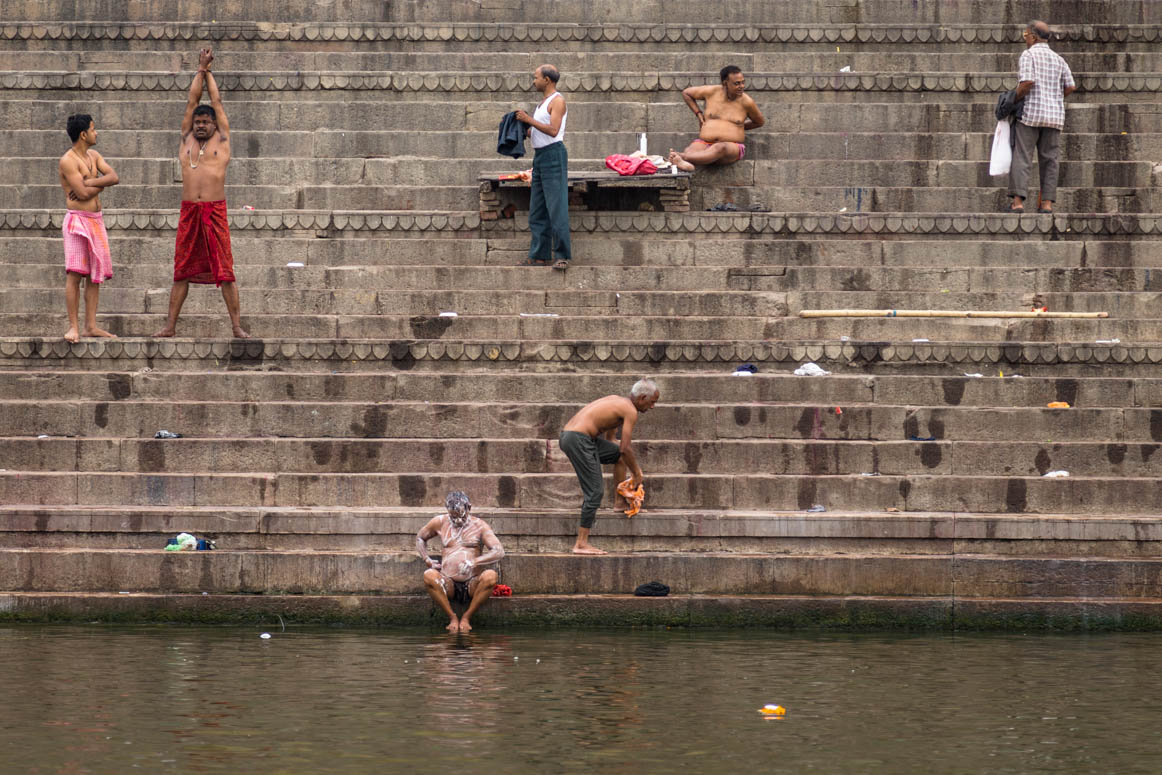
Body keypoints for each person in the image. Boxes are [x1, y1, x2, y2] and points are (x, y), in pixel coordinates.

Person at [153, 48, 249, 338]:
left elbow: (215, 101)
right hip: (189, 212)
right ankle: (170, 325)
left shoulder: (222, 139)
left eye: (205, 122)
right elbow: (191, 101)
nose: (201, 125)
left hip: (215, 210)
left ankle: (235, 326)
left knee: (225, 270)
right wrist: (199, 69)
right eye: (197, 122)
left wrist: (209, 74)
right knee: (181, 269)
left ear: (214, 124)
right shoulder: (186, 141)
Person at [559, 378, 660, 555]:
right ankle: (581, 543)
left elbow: (613, 441)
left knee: (618, 456)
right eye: (652, 402)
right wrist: (637, 474)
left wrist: (614, 445)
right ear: (642, 397)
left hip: (576, 437)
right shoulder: (631, 411)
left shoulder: (619, 401)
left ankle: (619, 502)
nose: (652, 407)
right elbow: (625, 447)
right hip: (577, 439)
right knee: (595, 492)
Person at [58, 113, 119, 343]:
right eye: (93, 129)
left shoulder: (94, 155)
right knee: (75, 274)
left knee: (95, 276)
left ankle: (90, 326)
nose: (96, 133)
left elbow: (114, 177)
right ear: (83, 134)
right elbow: (81, 195)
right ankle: (73, 327)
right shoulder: (68, 160)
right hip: (77, 220)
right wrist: (99, 184)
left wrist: (91, 181)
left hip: (96, 219)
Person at [1008, 20, 1075, 213]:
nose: (1025, 39)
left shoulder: (1029, 55)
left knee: (1022, 156)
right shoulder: (1058, 59)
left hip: (1030, 114)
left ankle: (1018, 202)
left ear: (1034, 37)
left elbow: (1027, 81)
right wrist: (1054, 98)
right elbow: (1070, 86)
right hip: (1054, 116)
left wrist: (1014, 99)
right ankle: (1046, 204)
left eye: (1026, 35)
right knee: (1050, 160)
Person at [416, 491, 505, 633]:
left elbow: (499, 551)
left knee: (491, 576)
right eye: (453, 516)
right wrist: (427, 559)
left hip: (472, 583)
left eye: (461, 516)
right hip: (447, 582)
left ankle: (466, 617)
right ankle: (452, 617)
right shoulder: (439, 522)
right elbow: (420, 538)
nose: (457, 520)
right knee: (429, 575)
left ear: (469, 508)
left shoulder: (480, 526)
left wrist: (474, 562)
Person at [513, 64, 571, 270]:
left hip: (554, 155)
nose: (533, 81)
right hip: (540, 157)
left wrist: (529, 120)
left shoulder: (558, 101)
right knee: (537, 210)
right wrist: (522, 128)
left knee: (557, 208)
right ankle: (539, 255)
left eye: (536, 77)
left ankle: (562, 255)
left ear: (547, 80)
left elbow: (554, 130)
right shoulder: (542, 104)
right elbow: (538, 132)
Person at [669, 66, 765, 171]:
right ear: (725, 83)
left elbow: (759, 122)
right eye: (737, 83)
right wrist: (698, 114)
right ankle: (687, 161)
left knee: (720, 147)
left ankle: (682, 158)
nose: (741, 86)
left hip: (730, 148)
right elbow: (686, 93)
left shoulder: (747, 102)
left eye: (743, 82)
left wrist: (738, 127)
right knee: (691, 150)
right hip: (705, 142)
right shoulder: (711, 91)